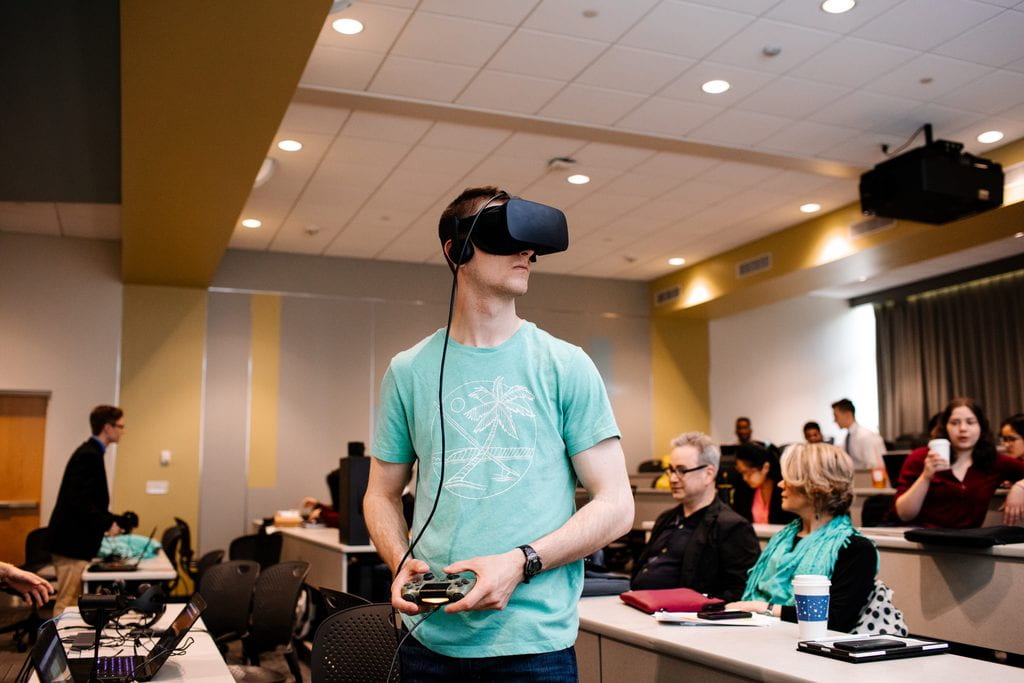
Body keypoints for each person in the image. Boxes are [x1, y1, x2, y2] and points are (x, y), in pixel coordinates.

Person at [363, 187, 633, 679]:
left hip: (533, 647)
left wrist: (522, 561)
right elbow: (380, 494)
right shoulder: (409, 371)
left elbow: (617, 506)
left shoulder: (565, 365)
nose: (528, 253)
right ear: (456, 250)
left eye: (532, 246)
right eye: (507, 239)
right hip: (427, 640)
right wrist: (400, 561)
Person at [728, 443, 878, 633]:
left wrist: (765, 609)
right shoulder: (782, 539)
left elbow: (835, 620)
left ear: (815, 487)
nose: (781, 484)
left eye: (789, 479)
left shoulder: (855, 549)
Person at [630, 432, 759, 601]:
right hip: (639, 604)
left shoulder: (732, 527)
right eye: (671, 470)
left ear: (709, 474)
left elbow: (739, 592)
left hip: (683, 618)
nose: (673, 479)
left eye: (681, 470)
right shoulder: (666, 518)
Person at [893, 398, 1024, 528]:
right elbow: (904, 514)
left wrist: (1019, 487)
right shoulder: (920, 457)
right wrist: (926, 476)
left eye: (970, 422)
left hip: (968, 543)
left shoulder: (994, 461)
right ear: (945, 427)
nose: (963, 428)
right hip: (923, 541)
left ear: (981, 427)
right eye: (955, 423)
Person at [47, 405, 125, 614]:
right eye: (120, 426)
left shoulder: (92, 453)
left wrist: (110, 520)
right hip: (71, 544)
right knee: (67, 604)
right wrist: (108, 522)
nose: (122, 431)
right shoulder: (88, 455)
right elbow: (79, 502)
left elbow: (90, 502)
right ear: (107, 427)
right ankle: (55, 647)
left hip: (74, 543)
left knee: (73, 602)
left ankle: (66, 646)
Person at [731, 443, 797, 525]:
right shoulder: (743, 490)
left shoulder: (784, 489)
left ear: (765, 467)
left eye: (748, 473)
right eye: (742, 473)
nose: (744, 478)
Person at [831, 398, 885, 471]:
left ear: (848, 415)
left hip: (866, 479)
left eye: (836, 416)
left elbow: (874, 465)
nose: (834, 420)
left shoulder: (866, 436)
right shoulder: (848, 437)